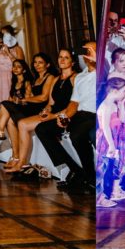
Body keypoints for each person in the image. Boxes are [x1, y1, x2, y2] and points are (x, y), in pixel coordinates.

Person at [5, 49, 79, 176]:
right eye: (60, 57)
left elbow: (75, 104)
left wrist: (53, 115)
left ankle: (22, 162)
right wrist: (46, 110)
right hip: (52, 112)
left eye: (66, 58)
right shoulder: (56, 79)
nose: (62, 60)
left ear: (72, 62)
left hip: (66, 114)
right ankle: (22, 162)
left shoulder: (75, 78)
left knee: (38, 128)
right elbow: (50, 102)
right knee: (22, 123)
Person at [38, 42, 98, 192]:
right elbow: (74, 102)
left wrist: (97, 59)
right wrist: (64, 116)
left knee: (77, 135)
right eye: (85, 51)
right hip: (79, 114)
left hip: (96, 114)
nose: (87, 54)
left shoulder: (103, 72)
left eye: (91, 51)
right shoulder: (81, 77)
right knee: (43, 129)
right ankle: (76, 171)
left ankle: (91, 179)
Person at [96, 76, 125, 208]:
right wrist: (111, 145)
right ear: (114, 91)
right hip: (105, 141)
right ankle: (98, 198)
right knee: (100, 169)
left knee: (107, 168)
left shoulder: (113, 104)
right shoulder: (106, 106)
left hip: (113, 140)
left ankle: (103, 196)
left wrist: (121, 104)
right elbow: (105, 126)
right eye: (124, 91)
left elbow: (122, 120)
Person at [0, 25, 24, 107]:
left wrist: (8, 53)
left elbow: (20, 64)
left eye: (6, 34)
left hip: (12, 77)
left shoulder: (18, 48)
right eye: (2, 34)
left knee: (9, 104)